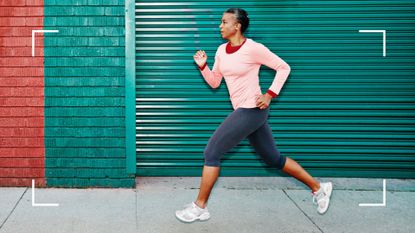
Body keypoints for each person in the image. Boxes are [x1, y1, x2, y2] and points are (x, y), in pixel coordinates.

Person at [175, 8, 332, 223]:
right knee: (272, 158)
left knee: (211, 151)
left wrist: (269, 95)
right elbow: (215, 82)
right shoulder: (221, 50)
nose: (220, 26)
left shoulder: (254, 49)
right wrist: (203, 67)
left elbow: (283, 68)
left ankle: (200, 206)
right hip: (244, 111)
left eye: (224, 22)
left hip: (252, 110)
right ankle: (318, 187)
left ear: (237, 26)